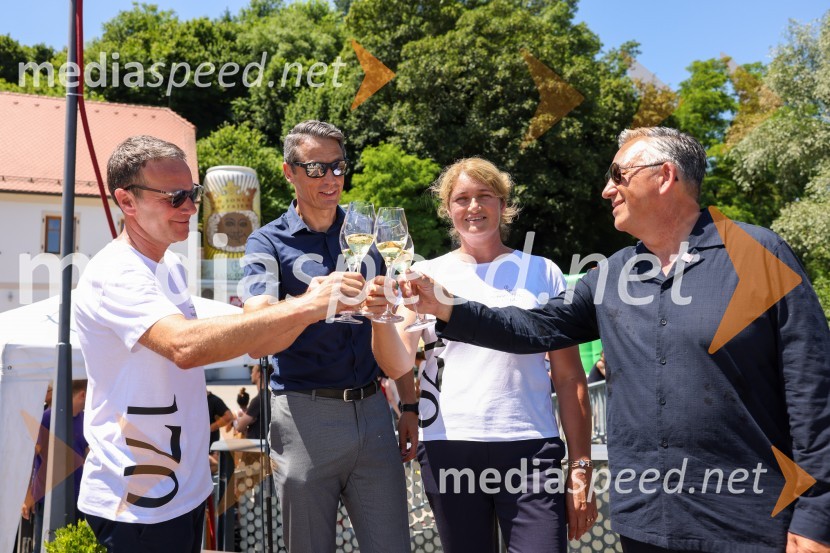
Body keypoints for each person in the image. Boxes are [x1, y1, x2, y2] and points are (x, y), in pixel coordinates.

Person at [407, 127, 830, 553]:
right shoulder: (611, 275)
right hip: (647, 522)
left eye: (618, 175)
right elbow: (532, 328)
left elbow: (813, 393)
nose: (607, 190)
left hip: (748, 522)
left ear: (665, 176)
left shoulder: (758, 254)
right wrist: (446, 306)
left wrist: (816, 517)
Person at [74, 135, 367, 553]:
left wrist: (305, 310)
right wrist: (308, 304)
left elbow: (232, 337)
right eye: (174, 198)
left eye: (192, 194)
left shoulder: (168, 264)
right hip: (139, 498)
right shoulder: (118, 272)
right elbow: (185, 346)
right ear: (126, 201)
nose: (191, 208)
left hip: (180, 489)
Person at [369, 158, 596, 552]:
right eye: (462, 199)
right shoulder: (425, 276)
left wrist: (581, 467)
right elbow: (398, 364)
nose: (473, 206)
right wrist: (379, 318)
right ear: (448, 209)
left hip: (531, 445)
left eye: (484, 196)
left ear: (503, 204)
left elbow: (570, 378)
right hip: (448, 443)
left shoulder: (543, 272)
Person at [241, 120, 412, 552]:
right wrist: (310, 302)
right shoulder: (266, 242)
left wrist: (409, 404)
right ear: (289, 172)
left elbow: (396, 322)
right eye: (316, 168)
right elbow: (255, 334)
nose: (331, 178)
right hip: (304, 415)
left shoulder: (366, 233)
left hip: (374, 410)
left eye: (338, 166)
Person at [22, 379, 89, 553]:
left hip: (78, 497)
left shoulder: (85, 420)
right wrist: (28, 495)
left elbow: (86, 454)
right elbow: (30, 457)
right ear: (83, 394)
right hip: (47, 497)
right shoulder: (47, 418)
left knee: (73, 546)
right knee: (45, 546)